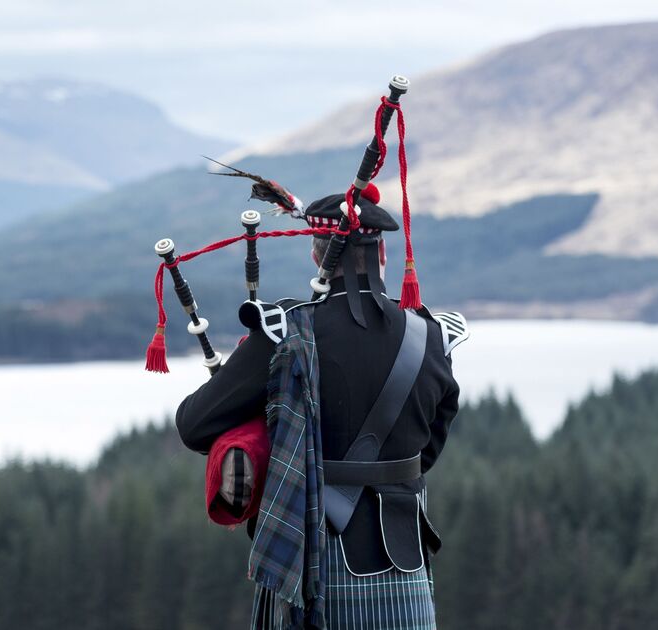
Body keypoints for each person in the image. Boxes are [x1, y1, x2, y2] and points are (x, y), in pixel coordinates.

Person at [174, 190, 468, 629]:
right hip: (406, 569)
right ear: (383, 251)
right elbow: (427, 451)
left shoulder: (285, 332)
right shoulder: (432, 337)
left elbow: (194, 425)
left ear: (317, 256)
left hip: (310, 567)